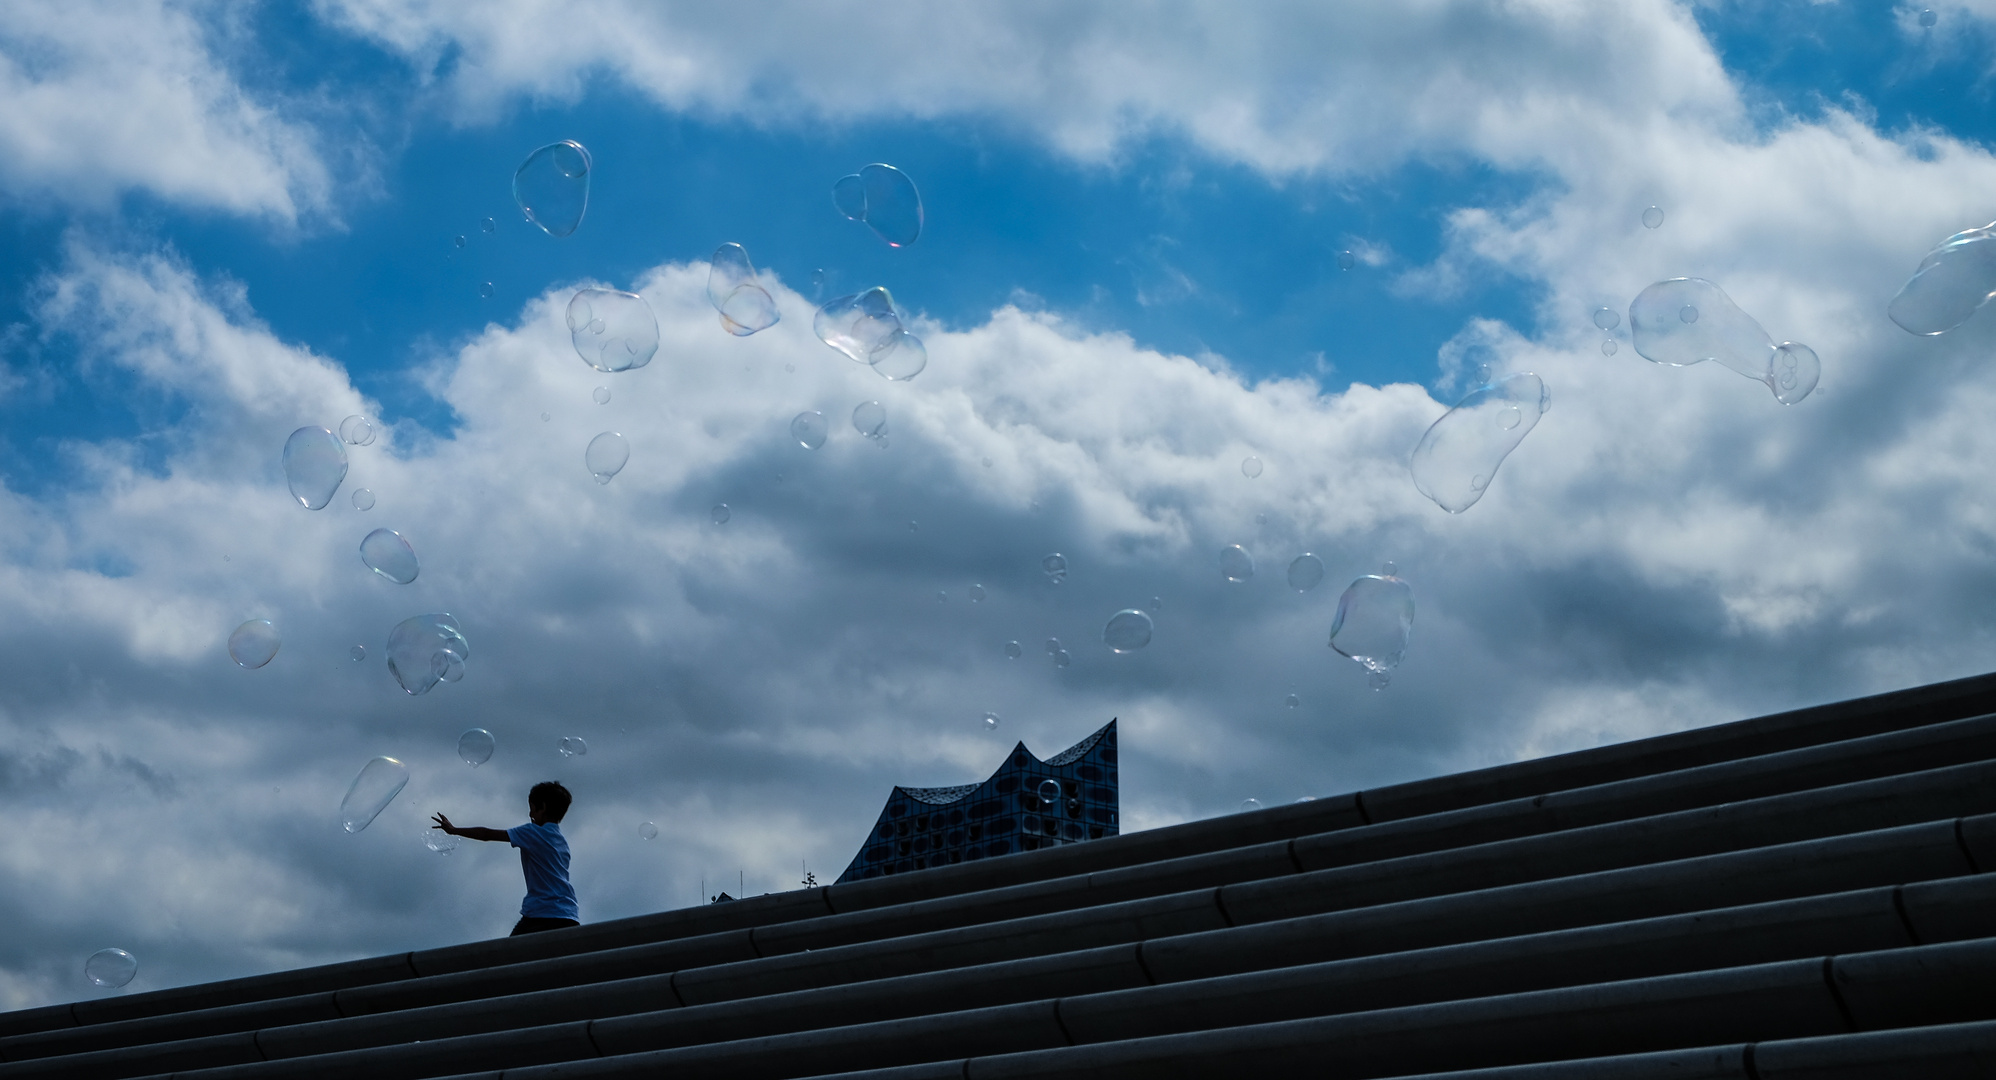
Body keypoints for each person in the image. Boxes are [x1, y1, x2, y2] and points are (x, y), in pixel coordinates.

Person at [432, 781, 579, 936]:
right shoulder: (562, 842)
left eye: (532, 809)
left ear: (542, 807)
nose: (530, 815)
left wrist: (454, 830)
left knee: (508, 955)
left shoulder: (533, 832)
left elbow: (486, 834)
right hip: (569, 915)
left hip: (542, 914)